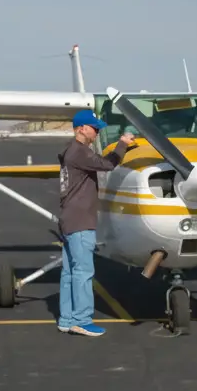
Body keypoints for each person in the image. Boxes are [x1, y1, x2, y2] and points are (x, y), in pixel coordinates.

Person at [57, 109, 134, 336]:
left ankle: (67, 318)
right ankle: (82, 319)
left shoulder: (70, 152)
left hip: (70, 217)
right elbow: (108, 164)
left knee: (70, 272)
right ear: (81, 128)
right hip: (80, 221)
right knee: (83, 272)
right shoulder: (79, 152)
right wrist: (122, 144)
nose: (97, 132)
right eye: (94, 128)